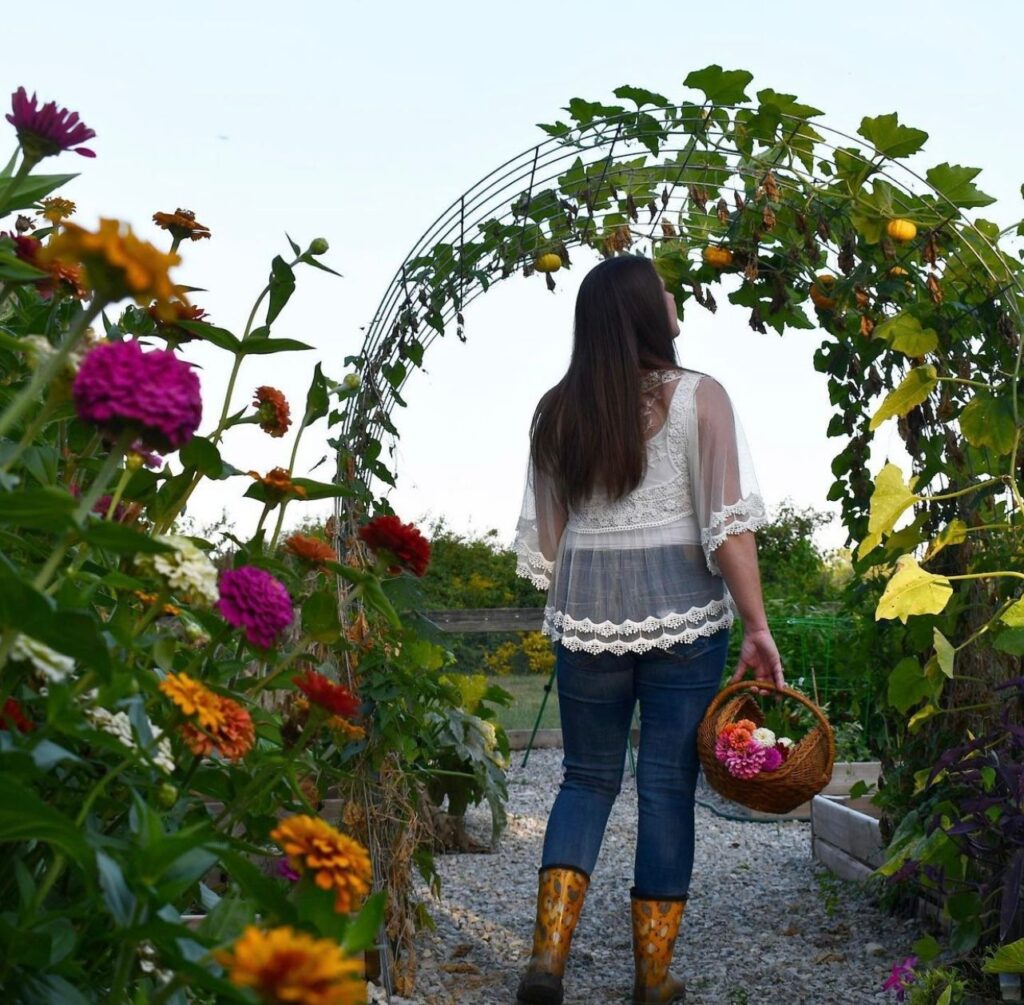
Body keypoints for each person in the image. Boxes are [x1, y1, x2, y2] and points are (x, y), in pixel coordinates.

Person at [511, 255, 785, 1005]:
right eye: (663, 287)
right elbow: (727, 530)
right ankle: (654, 977)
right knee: (667, 784)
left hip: (587, 617)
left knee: (586, 779)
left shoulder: (556, 411)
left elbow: (552, 537)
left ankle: (546, 962)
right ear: (643, 309)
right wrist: (758, 627)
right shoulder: (702, 397)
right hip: (685, 617)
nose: (673, 295)